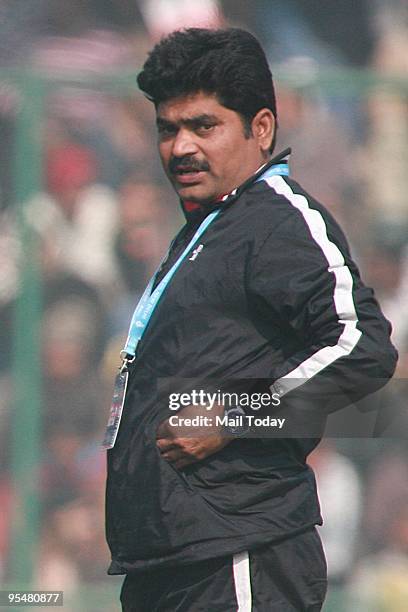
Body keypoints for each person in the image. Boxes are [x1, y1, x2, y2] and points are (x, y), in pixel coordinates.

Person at [105, 28, 397, 611]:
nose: (181, 146)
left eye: (203, 126)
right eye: (168, 128)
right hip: (169, 562)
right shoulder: (210, 230)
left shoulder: (277, 220)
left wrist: (234, 416)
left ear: (260, 128)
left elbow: (364, 346)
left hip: (238, 554)